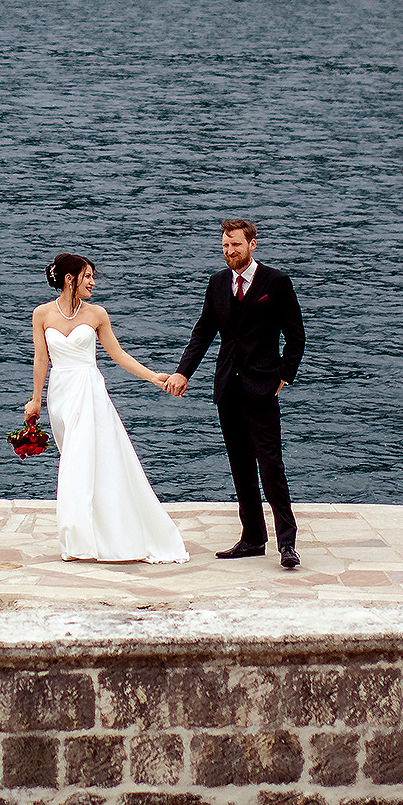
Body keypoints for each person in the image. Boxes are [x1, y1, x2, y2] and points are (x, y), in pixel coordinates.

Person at [20, 254, 189, 564]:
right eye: (87, 277)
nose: (93, 282)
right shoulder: (42, 314)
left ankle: (78, 536)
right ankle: (85, 533)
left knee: (82, 462)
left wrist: (153, 377)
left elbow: (118, 354)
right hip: (60, 394)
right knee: (75, 460)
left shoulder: (97, 314)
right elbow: (41, 358)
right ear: (70, 279)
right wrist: (36, 400)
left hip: (89, 391)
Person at [160, 219, 306, 568]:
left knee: (271, 466)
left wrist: (284, 375)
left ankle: (287, 543)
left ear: (252, 244)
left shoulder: (276, 282)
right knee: (240, 466)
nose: (229, 252)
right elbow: (203, 333)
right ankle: (253, 537)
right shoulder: (217, 283)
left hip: (262, 387)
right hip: (227, 387)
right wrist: (183, 372)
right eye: (225, 246)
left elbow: (296, 334)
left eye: (235, 245)